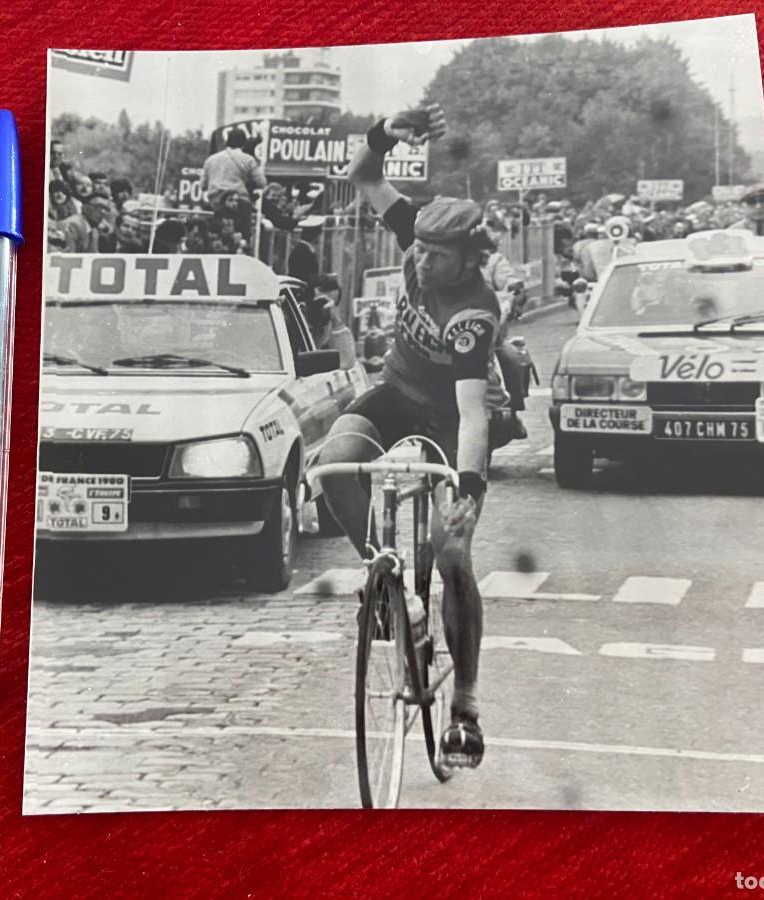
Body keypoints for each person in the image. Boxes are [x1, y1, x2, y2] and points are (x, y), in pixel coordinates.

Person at [318, 103, 503, 769]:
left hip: (453, 416)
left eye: (438, 255)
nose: (421, 263)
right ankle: (383, 576)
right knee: (334, 465)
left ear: (468, 258)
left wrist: (467, 492)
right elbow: (363, 178)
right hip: (399, 390)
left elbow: (473, 412)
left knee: (451, 555)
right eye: (418, 248)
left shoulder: (472, 312)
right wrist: (383, 136)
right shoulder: (417, 240)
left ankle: (467, 706)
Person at [201, 129, 266, 210]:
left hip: (215, 202)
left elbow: (203, 185)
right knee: (244, 220)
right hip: (239, 201)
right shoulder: (248, 159)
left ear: (227, 142)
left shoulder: (210, 160)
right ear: (243, 144)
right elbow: (261, 182)